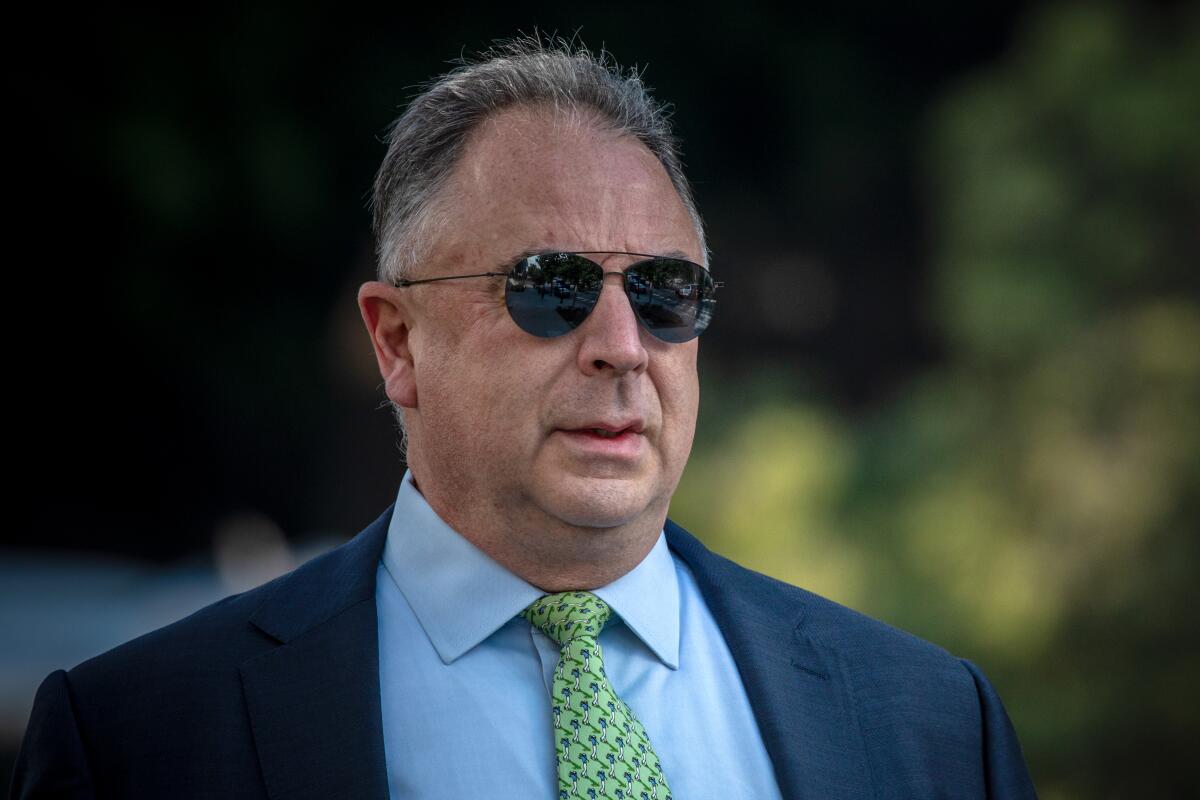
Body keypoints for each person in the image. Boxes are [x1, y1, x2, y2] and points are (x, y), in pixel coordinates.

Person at [10, 39, 1037, 799]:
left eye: (668, 291)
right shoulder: (136, 740)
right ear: (396, 341)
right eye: (553, 286)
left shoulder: (934, 726)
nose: (623, 343)